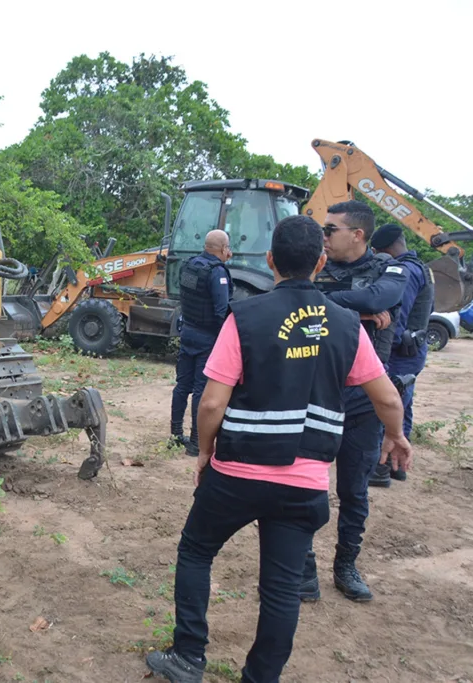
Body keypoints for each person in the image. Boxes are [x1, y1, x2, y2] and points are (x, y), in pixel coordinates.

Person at [145, 215, 412, 683]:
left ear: (270, 261)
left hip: (236, 475)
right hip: (303, 486)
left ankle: (188, 658)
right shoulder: (347, 325)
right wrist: (397, 435)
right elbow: (387, 397)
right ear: (320, 261)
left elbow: (210, 402)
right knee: (282, 590)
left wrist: (206, 452)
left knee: (195, 552)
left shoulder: (246, 317)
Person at [303, 200, 408, 603]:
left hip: (365, 398)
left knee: (354, 490)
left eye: (330, 230)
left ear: (357, 234)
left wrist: (336, 304)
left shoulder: (388, 269)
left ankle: (346, 564)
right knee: (305, 485)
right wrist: (358, 310)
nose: (323, 236)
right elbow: (298, 298)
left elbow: (383, 295)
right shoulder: (316, 267)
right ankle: (304, 566)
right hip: (318, 392)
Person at [368, 223, 434, 486]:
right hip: (415, 351)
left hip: (400, 353)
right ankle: (398, 468)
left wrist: (381, 346)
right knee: (403, 405)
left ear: (384, 250)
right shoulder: (423, 269)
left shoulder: (403, 273)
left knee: (388, 407)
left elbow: (397, 319)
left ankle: (381, 468)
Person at [171, 230, 234, 456]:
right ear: (223, 249)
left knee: (182, 385)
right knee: (200, 389)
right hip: (207, 338)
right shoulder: (217, 273)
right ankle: (196, 442)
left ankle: (175, 434)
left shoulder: (189, 266)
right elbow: (221, 311)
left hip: (187, 331)